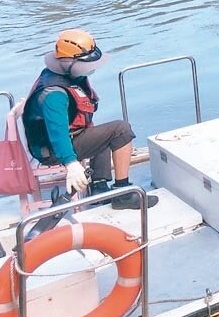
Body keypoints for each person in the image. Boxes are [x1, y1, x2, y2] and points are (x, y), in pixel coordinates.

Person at [22, 29, 158, 210]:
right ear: (68, 62)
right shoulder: (54, 95)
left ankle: (99, 187)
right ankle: (122, 193)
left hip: (63, 139)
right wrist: (71, 163)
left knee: (103, 132)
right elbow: (58, 134)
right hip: (52, 151)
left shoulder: (63, 75)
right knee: (121, 130)